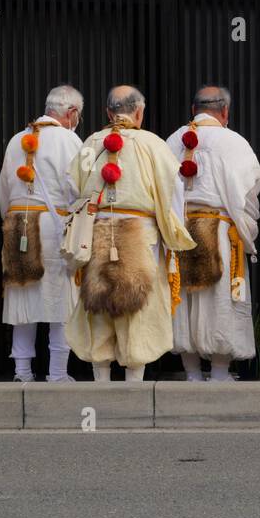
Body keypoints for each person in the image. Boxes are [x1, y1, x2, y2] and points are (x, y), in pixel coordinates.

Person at [66, 86, 194, 381]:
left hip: (95, 231)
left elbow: (72, 189)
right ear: (139, 112)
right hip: (142, 234)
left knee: (98, 304)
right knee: (138, 305)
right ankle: (134, 381)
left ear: (108, 113)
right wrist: (171, 230)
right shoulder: (152, 143)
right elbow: (172, 193)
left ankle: (101, 379)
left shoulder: (90, 143)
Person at [168, 86, 260, 382]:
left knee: (182, 301)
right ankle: (220, 372)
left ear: (193, 109)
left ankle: (193, 373)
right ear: (225, 112)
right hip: (220, 230)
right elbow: (249, 189)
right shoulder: (233, 141)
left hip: (179, 229)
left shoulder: (171, 140)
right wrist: (246, 222)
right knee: (219, 301)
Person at [0, 85, 84, 382]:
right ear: (71, 113)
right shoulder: (69, 139)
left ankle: (22, 372)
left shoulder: (15, 141)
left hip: (17, 223)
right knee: (60, 298)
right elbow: (79, 189)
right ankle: (57, 373)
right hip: (53, 225)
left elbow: (4, 191)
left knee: (22, 297)